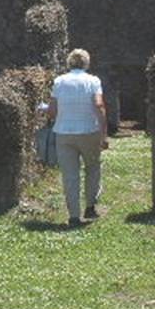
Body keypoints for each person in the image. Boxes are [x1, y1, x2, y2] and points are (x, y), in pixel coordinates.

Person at [47, 48, 108, 228]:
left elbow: (52, 110)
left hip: (64, 133)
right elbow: (99, 105)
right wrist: (103, 133)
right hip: (89, 131)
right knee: (93, 168)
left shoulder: (59, 81)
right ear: (86, 63)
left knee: (70, 175)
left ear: (69, 63)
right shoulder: (93, 81)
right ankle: (90, 206)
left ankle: (73, 215)